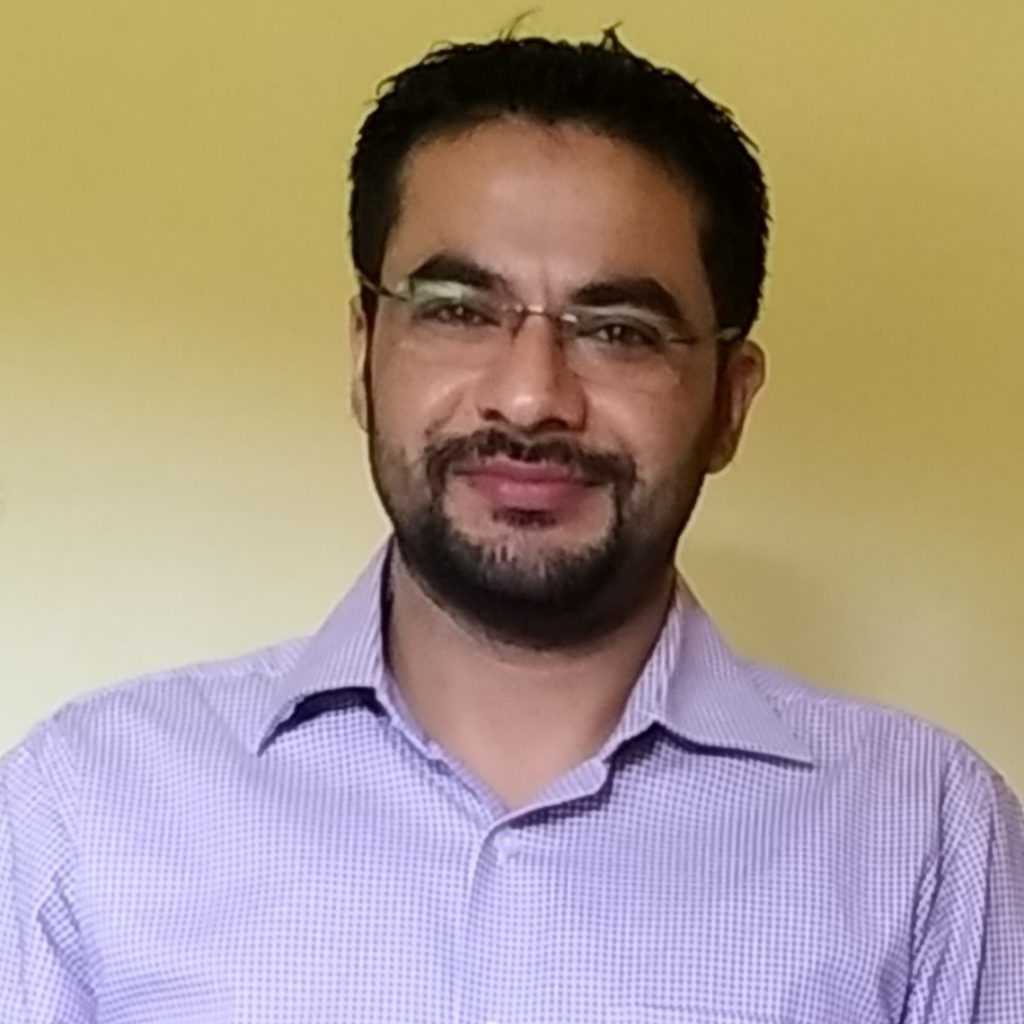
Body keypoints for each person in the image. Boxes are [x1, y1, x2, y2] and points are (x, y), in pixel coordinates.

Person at [2, 29, 1022, 1024]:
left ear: (728, 402)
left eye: (618, 331)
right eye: (457, 310)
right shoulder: (83, 807)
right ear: (363, 352)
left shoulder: (927, 838)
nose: (531, 397)